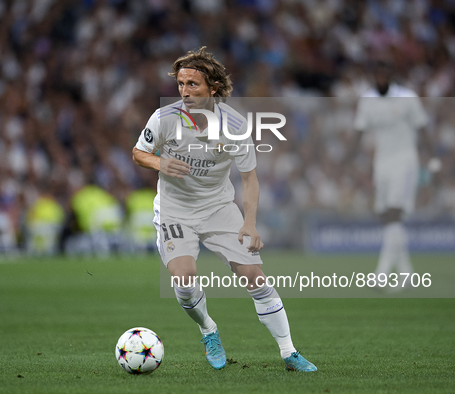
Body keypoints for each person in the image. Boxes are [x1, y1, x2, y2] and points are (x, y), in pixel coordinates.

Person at [131, 47, 316, 372]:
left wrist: (250, 223)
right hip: (175, 209)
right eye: (181, 84)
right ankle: (208, 329)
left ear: (213, 88)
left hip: (218, 208)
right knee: (184, 280)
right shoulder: (163, 118)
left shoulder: (234, 125)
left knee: (255, 277)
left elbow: (249, 179)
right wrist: (160, 162)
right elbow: (138, 153)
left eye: (193, 85)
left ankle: (289, 353)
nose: (185, 92)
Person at [348, 60, 439, 285]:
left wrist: (434, 159)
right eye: (377, 76)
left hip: (405, 160)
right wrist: (347, 159)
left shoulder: (407, 98)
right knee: (387, 217)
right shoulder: (367, 101)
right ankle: (407, 273)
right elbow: (359, 131)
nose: (381, 80)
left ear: (391, 77)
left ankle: (382, 273)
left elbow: (422, 128)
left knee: (394, 213)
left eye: (384, 76)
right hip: (382, 163)